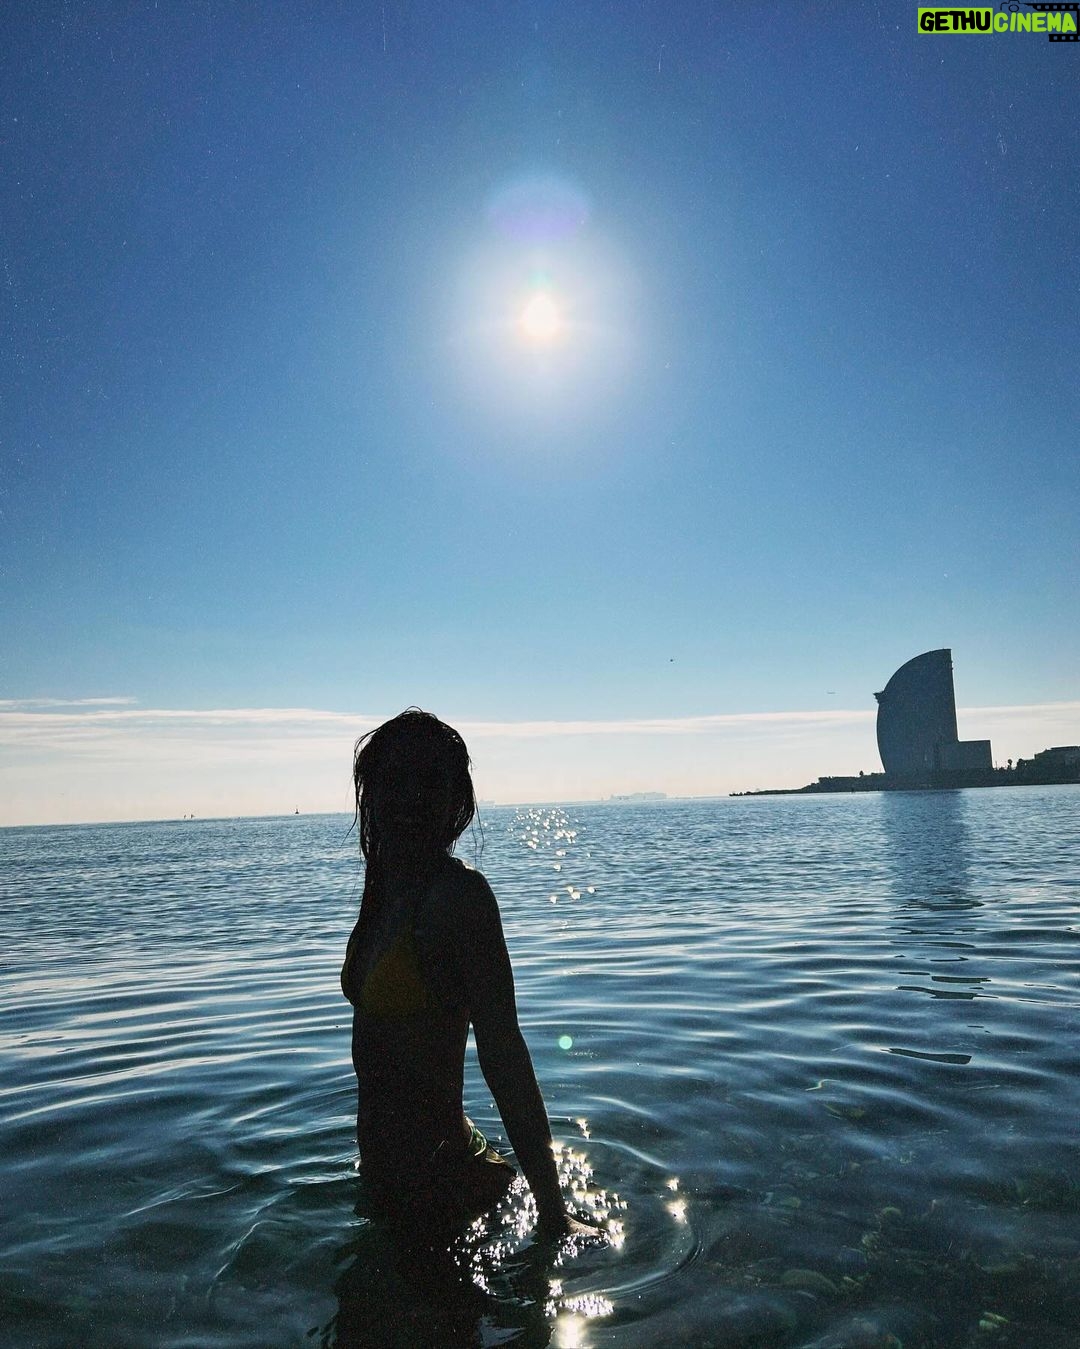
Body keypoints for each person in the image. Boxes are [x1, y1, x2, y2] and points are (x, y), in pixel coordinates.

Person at [341, 709, 597, 1244]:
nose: (411, 798)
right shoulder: (384, 884)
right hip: (386, 1183)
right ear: (372, 792)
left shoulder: (461, 900)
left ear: (457, 800)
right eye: (396, 781)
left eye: (430, 782)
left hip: (446, 1189)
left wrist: (552, 1213)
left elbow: (504, 1054)